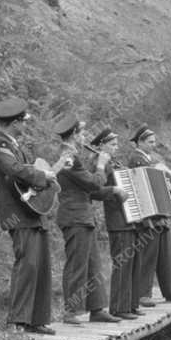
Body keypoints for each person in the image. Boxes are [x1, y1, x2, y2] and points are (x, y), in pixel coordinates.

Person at [0, 95, 70, 335]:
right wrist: (44, 177)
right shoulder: (0, 144)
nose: (25, 125)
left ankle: (36, 319)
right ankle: (17, 321)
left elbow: (27, 172)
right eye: (23, 121)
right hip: (19, 215)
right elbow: (13, 171)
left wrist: (45, 173)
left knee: (41, 265)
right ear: (15, 123)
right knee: (27, 264)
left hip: (33, 213)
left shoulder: (15, 145)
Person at [53, 108, 118, 325]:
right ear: (73, 135)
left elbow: (93, 190)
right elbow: (92, 184)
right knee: (77, 264)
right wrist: (100, 165)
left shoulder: (74, 156)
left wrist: (108, 177)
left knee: (93, 264)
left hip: (83, 217)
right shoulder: (69, 157)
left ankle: (97, 308)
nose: (84, 138)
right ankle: (71, 311)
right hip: (74, 217)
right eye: (81, 134)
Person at [127, 124, 171, 305]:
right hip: (147, 214)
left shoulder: (150, 159)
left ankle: (170, 291)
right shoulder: (135, 158)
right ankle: (142, 294)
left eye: (154, 141)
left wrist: (168, 182)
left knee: (165, 254)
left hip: (159, 213)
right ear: (139, 142)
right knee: (148, 254)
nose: (153, 145)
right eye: (150, 142)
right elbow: (141, 182)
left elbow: (158, 182)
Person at [90, 127, 142, 319]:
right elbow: (95, 190)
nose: (115, 147)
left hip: (130, 218)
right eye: (112, 144)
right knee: (122, 263)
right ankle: (119, 308)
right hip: (117, 219)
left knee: (131, 264)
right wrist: (114, 190)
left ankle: (129, 305)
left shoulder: (113, 163)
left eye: (116, 143)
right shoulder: (98, 163)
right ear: (101, 145)